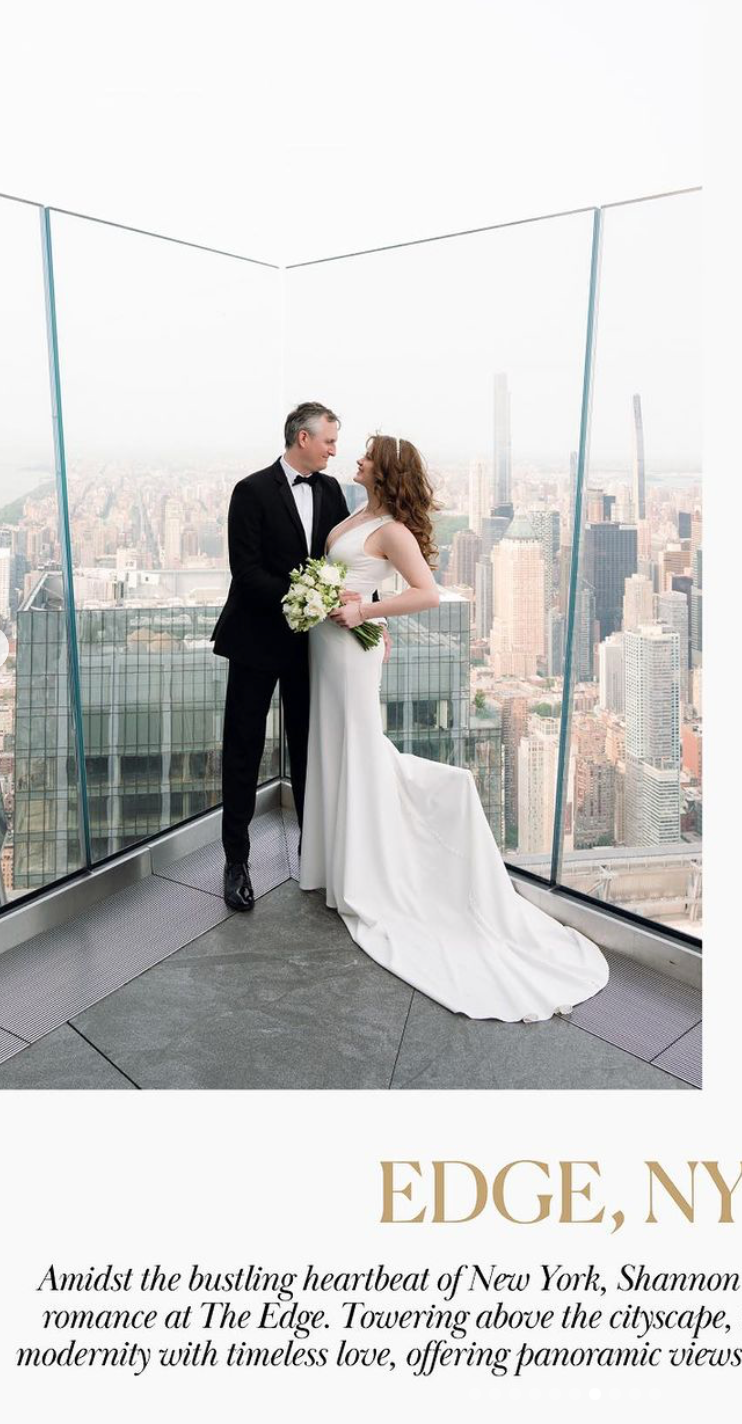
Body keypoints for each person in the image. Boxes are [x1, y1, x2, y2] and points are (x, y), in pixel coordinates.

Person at [297, 432, 609, 1022]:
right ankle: (339, 864)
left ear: (384, 468)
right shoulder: (357, 514)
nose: (356, 459)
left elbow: (427, 594)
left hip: (351, 649)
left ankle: (374, 869)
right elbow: (351, 574)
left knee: (358, 746)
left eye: (366, 455)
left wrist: (366, 612)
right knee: (335, 745)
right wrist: (345, 604)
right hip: (329, 647)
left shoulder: (391, 530)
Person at [211, 403, 378, 913]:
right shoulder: (251, 490)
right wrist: (307, 596)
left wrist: (363, 611)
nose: (334, 450)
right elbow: (247, 573)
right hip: (256, 640)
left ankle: (314, 854)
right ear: (302, 438)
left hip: (313, 645)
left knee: (311, 749)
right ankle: (236, 862)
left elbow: (344, 564)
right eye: (329, 441)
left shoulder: (332, 491)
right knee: (242, 750)